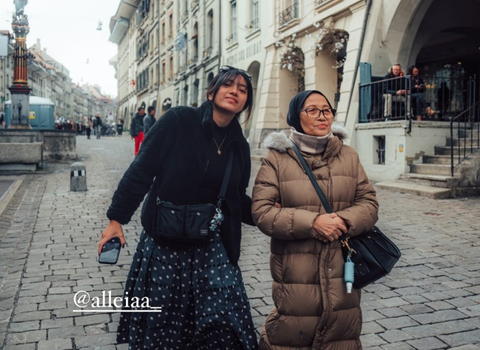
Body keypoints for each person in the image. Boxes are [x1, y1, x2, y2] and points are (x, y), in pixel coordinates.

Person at [98, 66, 258, 350]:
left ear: (247, 102)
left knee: (223, 326)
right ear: (212, 92)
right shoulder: (179, 120)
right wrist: (116, 220)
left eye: (242, 89)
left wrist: (274, 212)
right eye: (228, 85)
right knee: (163, 328)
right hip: (165, 245)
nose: (234, 91)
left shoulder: (239, 147)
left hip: (212, 248)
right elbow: (141, 171)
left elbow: (236, 200)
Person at [251, 90, 379, 350]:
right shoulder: (277, 158)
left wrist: (342, 221)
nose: (322, 116)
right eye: (312, 110)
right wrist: (313, 223)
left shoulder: (349, 155)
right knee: (292, 333)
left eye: (327, 110)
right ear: (296, 117)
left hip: (343, 267)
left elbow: (369, 203)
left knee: (342, 335)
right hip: (296, 269)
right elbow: (262, 212)